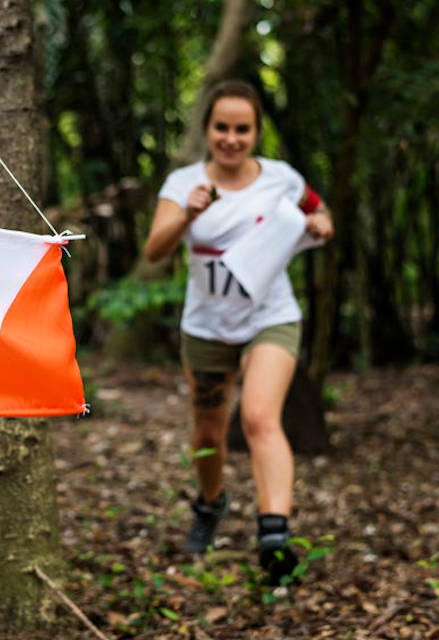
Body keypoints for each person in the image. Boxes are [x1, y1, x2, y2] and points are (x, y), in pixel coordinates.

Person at [143, 80, 334, 585]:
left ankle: (274, 536)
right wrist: (190, 213)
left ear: (256, 132)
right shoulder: (184, 183)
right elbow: (154, 251)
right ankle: (209, 504)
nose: (231, 138)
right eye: (221, 128)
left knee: (258, 418)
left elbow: (319, 210)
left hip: (271, 316)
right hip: (207, 325)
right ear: (207, 130)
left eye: (242, 129)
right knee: (208, 431)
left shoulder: (281, 179)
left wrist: (321, 225)